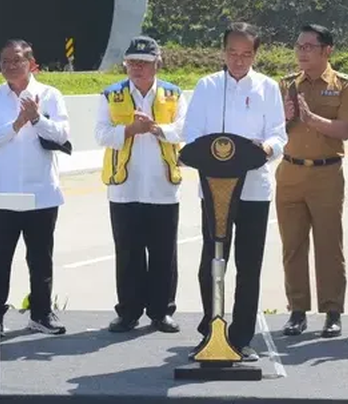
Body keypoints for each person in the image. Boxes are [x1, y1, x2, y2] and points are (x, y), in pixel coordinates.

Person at [183, 22, 287, 362]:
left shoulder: (268, 87)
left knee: (248, 265)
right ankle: (211, 329)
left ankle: (241, 337)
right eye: (232, 53)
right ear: (223, 51)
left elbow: (278, 135)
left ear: (255, 54)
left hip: (255, 189)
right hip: (214, 190)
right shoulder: (206, 86)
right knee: (211, 263)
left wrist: (267, 149)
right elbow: (192, 134)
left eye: (246, 54)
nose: (238, 60)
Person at [0, 39, 69, 336]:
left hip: (40, 193)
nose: (9, 66)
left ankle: (41, 314)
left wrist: (37, 118)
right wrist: (17, 123)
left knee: (41, 257)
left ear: (30, 62)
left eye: (16, 60)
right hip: (1, 193)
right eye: (4, 61)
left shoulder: (50, 95)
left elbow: (62, 134)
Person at [95, 36, 186, 334]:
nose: (137, 68)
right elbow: (101, 134)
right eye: (132, 62)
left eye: (144, 63)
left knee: (163, 253)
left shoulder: (173, 94)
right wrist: (130, 130)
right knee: (128, 252)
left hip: (162, 188)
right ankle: (128, 312)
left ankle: (162, 312)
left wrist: (158, 130)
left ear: (157, 63)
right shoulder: (111, 94)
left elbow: (185, 129)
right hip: (125, 188)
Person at [276, 24, 348, 338]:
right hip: (290, 172)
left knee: (329, 244)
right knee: (293, 245)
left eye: (310, 46)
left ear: (327, 50)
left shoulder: (344, 86)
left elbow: (344, 130)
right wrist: (283, 118)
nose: (302, 52)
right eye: (299, 46)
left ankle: (332, 311)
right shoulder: (285, 85)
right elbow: (269, 130)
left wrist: (311, 119)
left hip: (326, 173)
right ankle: (297, 311)